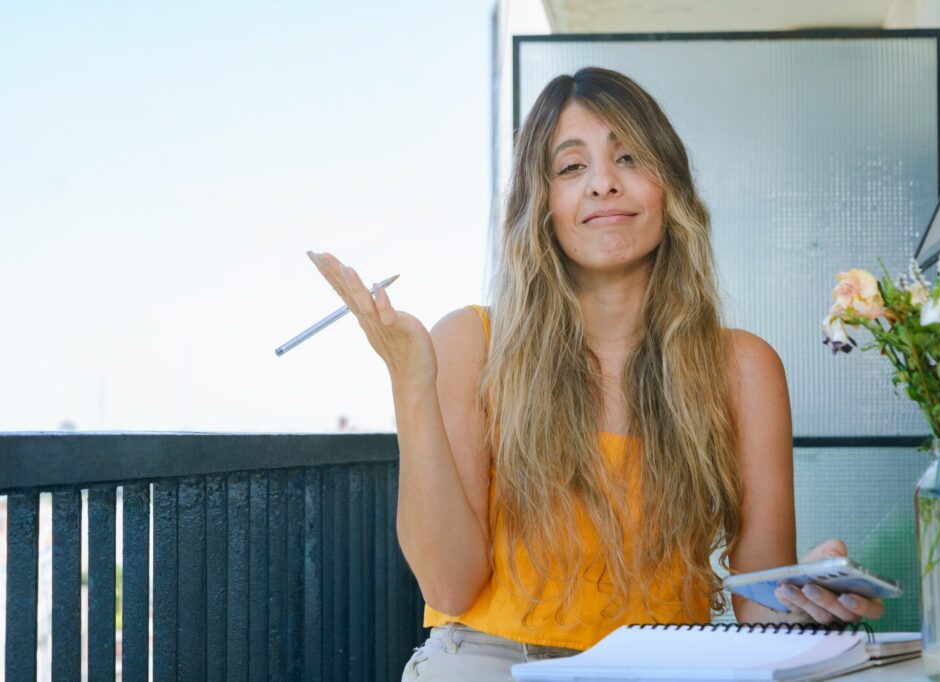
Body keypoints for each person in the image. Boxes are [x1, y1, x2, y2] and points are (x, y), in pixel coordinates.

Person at [307, 66, 884, 680]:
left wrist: (811, 597)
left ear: (671, 189)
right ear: (541, 205)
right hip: (490, 663)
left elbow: (756, 609)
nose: (604, 184)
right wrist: (410, 384)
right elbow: (449, 586)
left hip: (666, 667)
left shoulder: (744, 367)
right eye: (572, 167)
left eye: (630, 157)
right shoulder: (472, 342)